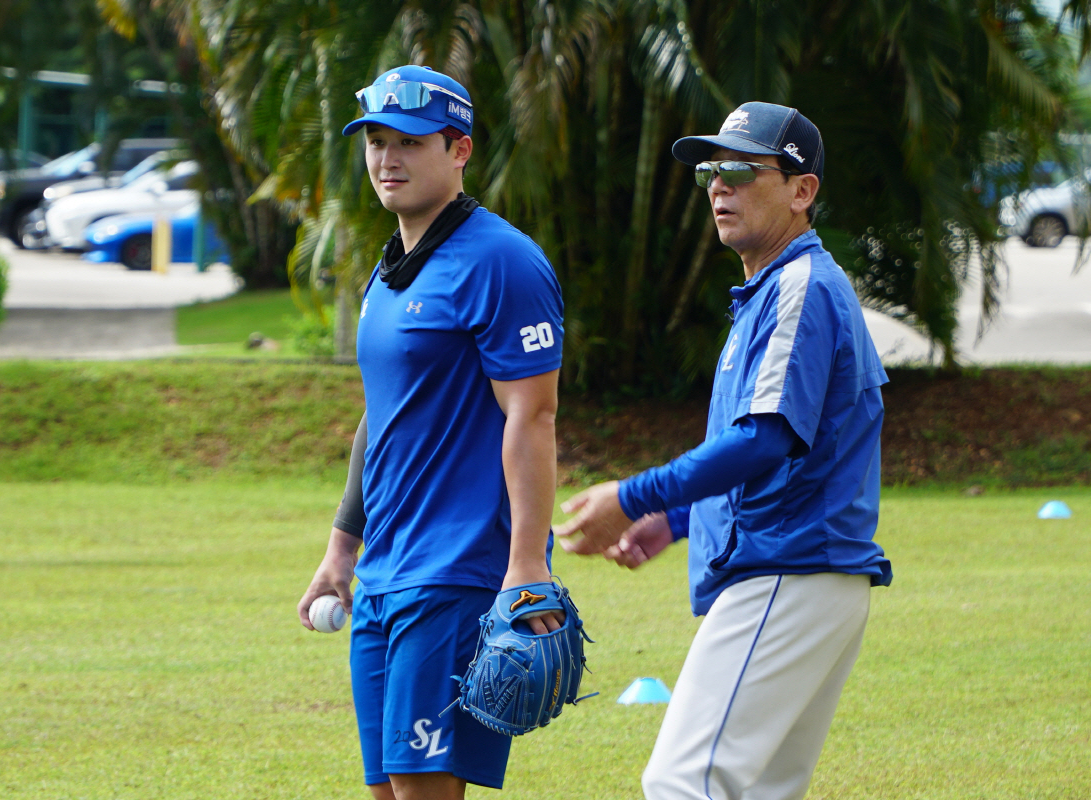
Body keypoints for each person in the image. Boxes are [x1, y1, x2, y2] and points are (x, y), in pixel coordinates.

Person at [554, 101, 893, 800]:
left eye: (741, 169)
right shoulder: (773, 288)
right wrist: (677, 523)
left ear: (802, 192)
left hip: (788, 568)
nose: (718, 186)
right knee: (754, 792)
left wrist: (632, 497)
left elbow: (765, 439)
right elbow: (792, 448)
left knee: (683, 781)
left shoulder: (799, 285)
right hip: (808, 574)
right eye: (711, 170)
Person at [296, 65, 565, 800]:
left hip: (456, 571)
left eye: (410, 142)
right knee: (386, 790)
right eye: (377, 141)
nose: (388, 159)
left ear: (459, 150)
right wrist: (340, 550)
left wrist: (526, 567)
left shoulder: (501, 261)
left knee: (423, 791)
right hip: (384, 573)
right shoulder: (390, 272)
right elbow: (381, 416)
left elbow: (533, 415)